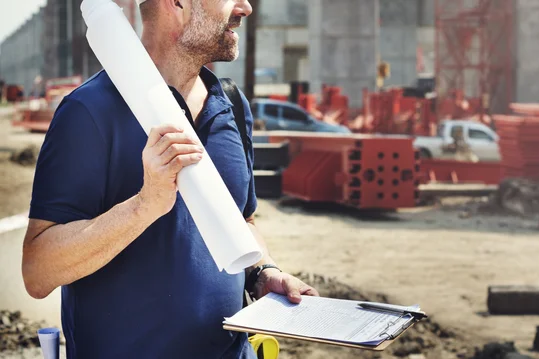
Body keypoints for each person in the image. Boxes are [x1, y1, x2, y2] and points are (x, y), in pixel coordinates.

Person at [21, 0, 319, 358]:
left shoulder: (233, 106)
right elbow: (38, 272)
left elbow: (243, 218)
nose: (245, 7)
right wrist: (145, 205)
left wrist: (262, 272)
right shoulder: (89, 112)